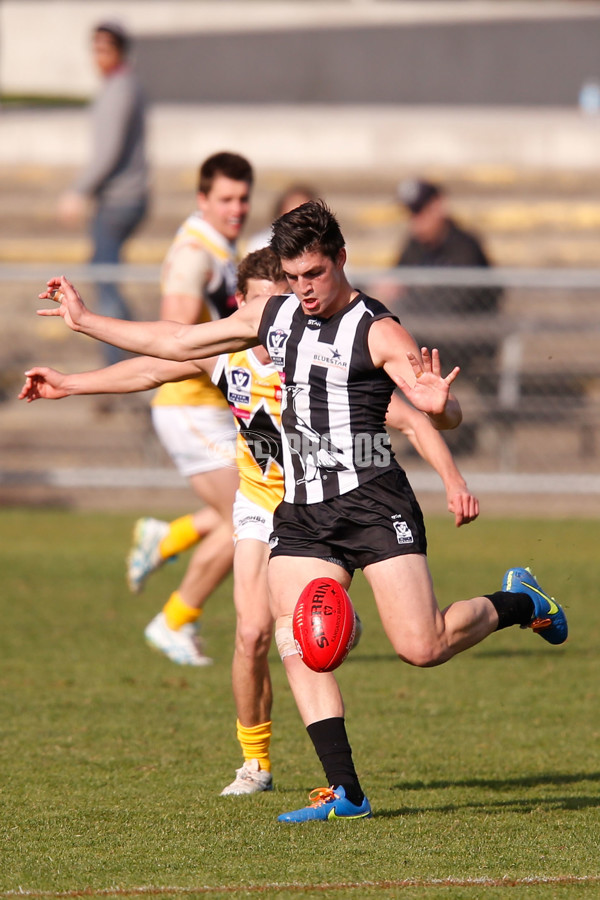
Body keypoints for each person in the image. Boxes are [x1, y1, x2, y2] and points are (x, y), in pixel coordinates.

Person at [36, 200, 567, 824]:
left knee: (421, 647)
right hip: (304, 509)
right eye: (293, 277)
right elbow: (177, 341)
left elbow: (433, 413)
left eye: (314, 274)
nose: (304, 290)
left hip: (373, 501)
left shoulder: (378, 330)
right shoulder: (275, 313)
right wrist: (85, 321)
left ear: (340, 260)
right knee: (295, 639)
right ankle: (346, 791)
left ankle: (523, 601)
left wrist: (441, 406)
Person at [129, 152, 254, 667]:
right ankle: (175, 620)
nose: (237, 207)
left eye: (244, 198)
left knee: (255, 503)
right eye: (225, 198)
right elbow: (174, 333)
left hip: (210, 405)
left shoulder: (223, 247)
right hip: (188, 406)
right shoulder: (193, 255)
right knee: (245, 519)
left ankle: (169, 535)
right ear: (203, 199)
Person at [57, 19, 149, 367]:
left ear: (119, 51)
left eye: (104, 48)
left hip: (119, 200)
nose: (98, 56)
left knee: (104, 282)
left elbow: (107, 152)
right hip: (119, 198)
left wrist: (77, 191)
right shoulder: (120, 86)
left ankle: (126, 359)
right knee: (103, 276)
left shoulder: (121, 89)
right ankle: (133, 351)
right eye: (95, 48)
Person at [245, 184, 318, 254]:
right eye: (292, 217)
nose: (298, 223)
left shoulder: (322, 248)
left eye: (305, 217)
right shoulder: (260, 245)